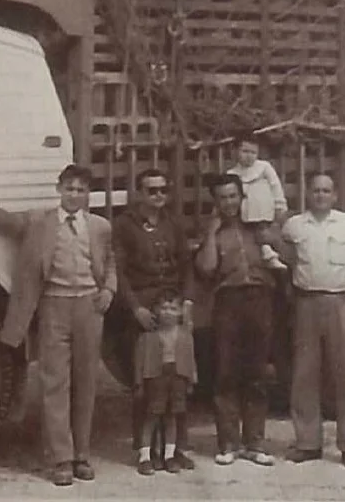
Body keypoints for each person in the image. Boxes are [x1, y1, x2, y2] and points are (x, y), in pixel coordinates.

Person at [0, 164, 116, 487]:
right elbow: (3, 220)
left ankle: (82, 455)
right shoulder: (39, 222)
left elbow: (110, 261)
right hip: (54, 307)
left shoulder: (100, 226)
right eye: (69, 188)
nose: (74, 195)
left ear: (87, 194)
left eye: (81, 190)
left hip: (89, 308)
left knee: (86, 382)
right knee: (55, 383)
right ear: (59, 189)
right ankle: (61, 459)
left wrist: (109, 290)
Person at [279, 172, 345, 469]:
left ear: (335, 195)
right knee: (304, 374)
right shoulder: (294, 226)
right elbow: (281, 256)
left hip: (340, 302)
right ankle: (307, 442)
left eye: (326, 191)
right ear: (307, 193)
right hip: (306, 303)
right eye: (316, 190)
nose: (321, 196)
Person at [110, 168, 197, 470]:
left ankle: (175, 450)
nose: (158, 195)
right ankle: (145, 451)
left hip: (173, 308)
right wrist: (136, 308)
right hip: (145, 310)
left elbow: (186, 264)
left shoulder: (173, 223)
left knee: (178, 378)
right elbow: (119, 272)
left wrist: (187, 302)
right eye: (151, 190)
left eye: (163, 190)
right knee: (148, 383)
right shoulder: (124, 225)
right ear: (139, 193)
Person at [194, 173, 277, 467]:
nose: (229, 203)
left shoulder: (258, 229)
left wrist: (271, 238)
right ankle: (229, 443)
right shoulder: (214, 233)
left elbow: (285, 257)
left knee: (257, 372)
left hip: (260, 299)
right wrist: (211, 233)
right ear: (215, 202)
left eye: (233, 196)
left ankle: (255, 442)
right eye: (223, 198)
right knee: (226, 371)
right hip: (228, 301)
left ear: (242, 197)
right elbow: (206, 268)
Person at [132, 292, 197, 476]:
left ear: (180, 312)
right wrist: (138, 383)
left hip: (177, 377)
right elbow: (139, 362)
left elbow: (190, 359)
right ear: (155, 311)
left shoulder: (185, 336)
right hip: (156, 378)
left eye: (173, 308)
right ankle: (145, 456)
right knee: (151, 416)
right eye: (164, 308)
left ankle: (169, 455)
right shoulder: (147, 337)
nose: (168, 312)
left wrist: (191, 380)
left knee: (172, 416)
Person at [226, 137, 289, 270]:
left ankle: (270, 255)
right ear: (236, 151)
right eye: (245, 151)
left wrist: (280, 206)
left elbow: (275, 186)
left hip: (263, 208)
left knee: (265, 233)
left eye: (253, 152)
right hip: (246, 211)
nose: (249, 156)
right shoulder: (232, 173)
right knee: (249, 235)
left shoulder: (264, 167)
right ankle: (258, 258)